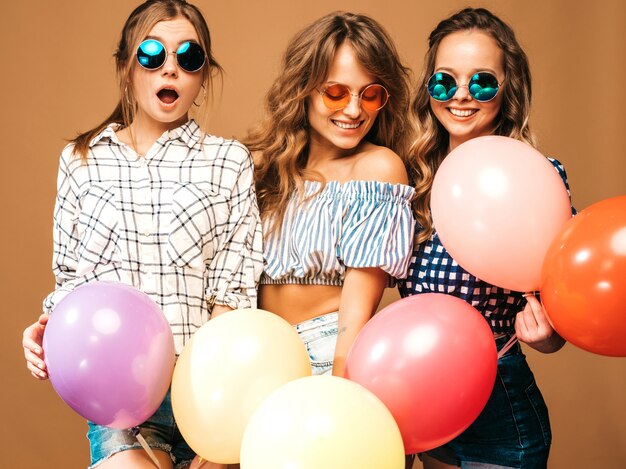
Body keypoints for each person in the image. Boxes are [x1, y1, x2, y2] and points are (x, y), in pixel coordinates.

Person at [21, 1, 262, 468]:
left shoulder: (229, 162)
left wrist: (217, 414)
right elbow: (72, 279)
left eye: (188, 58)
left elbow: (234, 290)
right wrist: (47, 330)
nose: (170, 68)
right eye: (152, 54)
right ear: (127, 67)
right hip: (119, 405)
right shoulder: (81, 159)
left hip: (207, 395)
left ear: (203, 75)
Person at [399, 7, 575, 469]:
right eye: (444, 81)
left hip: (498, 405)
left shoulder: (538, 178)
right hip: (424, 396)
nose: (461, 96)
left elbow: (565, 311)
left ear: (506, 89)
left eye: (481, 82)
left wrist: (549, 335)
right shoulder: (410, 177)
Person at [246, 12, 416, 378]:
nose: (354, 110)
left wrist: (340, 383)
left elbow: (358, 304)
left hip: (327, 354)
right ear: (302, 89)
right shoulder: (263, 166)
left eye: (370, 95)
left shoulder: (378, 169)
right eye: (336, 92)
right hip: (258, 357)